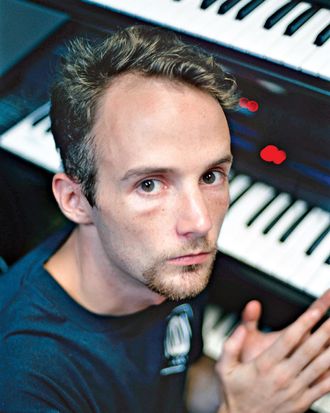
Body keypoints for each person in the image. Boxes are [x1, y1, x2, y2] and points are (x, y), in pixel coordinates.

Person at [0, 25, 329, 413]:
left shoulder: (167, 265)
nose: (200, 221)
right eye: (150, 184)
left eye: (210, 176)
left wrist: (237, 381)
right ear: (75, 200)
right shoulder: (25, 379)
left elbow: (173, 383)